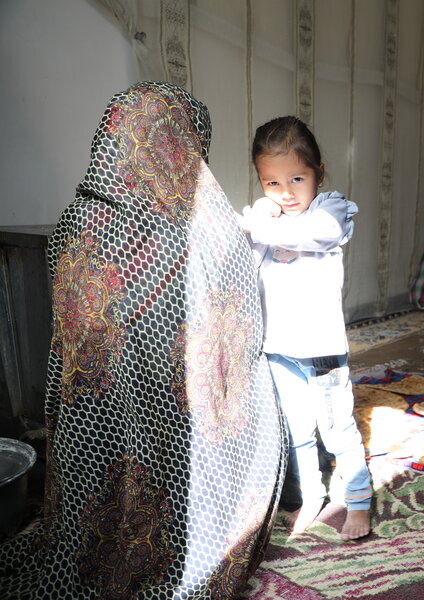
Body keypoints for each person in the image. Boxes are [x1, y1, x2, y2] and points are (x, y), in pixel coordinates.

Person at [0, 82, 287, 599]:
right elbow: (238, 338)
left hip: (90, 431)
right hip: (184, 435)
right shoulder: (206, 227)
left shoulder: (74, 222)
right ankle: (195, 538)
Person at [240, 116, 371, 541]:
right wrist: (261, 215)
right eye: (271, 183)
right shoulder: (268, 221)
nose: (286, 192)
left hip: (320, 350)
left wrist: (265, 222)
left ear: (318, 171)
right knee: (297, 430)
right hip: (278, 349)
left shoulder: (329, 210)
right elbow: (243, 255)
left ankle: (359, 501)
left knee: (336, 430)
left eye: (297, 177)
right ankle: (312, 494)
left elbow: (318, 235)